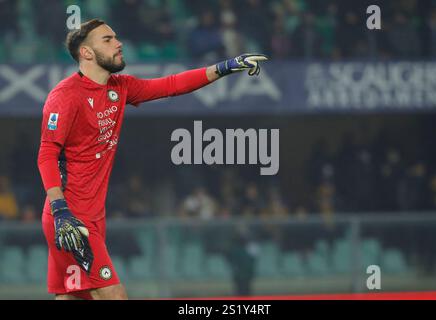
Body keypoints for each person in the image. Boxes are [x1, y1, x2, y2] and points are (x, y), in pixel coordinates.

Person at [37, 19, 268, 300]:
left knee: (73, 296)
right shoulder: (65, 96)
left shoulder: (120, 88)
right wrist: (61, 211)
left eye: (116, 37)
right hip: (70, 218)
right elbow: (47, 154)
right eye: (108, 40)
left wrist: (225, 66)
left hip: (92, 215)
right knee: (112, 294)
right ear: (86, 53)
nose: (118, 43)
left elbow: (172, 84)